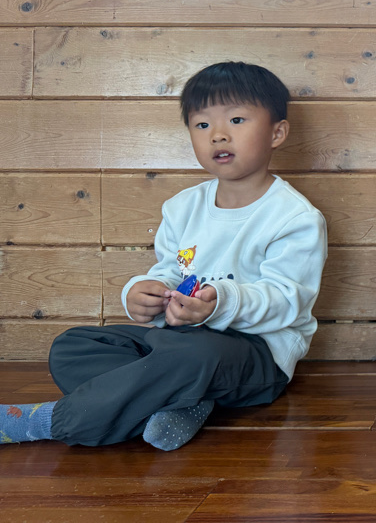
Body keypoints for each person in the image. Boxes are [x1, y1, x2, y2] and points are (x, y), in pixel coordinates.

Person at [0, 61, 327, 450]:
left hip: (255, 355)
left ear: (277, 132)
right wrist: (145, 291)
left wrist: (218, 305)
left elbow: (287, 301)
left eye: (236, 120)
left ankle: (48, 421)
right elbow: (172, 270)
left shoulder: (294, 217)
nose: (218, 135)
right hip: (178, 342)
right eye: (202, 124)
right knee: (72, 347)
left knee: (195, 356)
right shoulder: (182, 207)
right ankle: (182, 403)